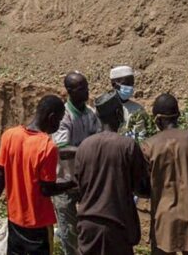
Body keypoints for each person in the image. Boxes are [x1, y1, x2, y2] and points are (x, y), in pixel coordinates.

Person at [0, 94, 76, 254]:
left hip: (14, 218)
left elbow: (1, 176)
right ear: (51, 117)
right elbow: (46, 189)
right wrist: (71, 184)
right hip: (38, 223)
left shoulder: (10, 135)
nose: (59, 124)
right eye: (59, 120)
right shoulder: (47, 147)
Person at [141, 93, 188, 255]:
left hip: (164, 219)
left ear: (158, 119)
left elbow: (144, 186)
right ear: (178, 115)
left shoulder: (149, 146)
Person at [75, 92, 149, 254]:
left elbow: (79, 187)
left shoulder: (84, 146)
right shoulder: (128, 146)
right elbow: (141, 187)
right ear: (118, 113)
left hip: (87, 225)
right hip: (116, 225)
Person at [52, 71, 100, 255]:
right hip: (65, 181)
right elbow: (62, 149)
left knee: (90, 224)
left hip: (85, 180)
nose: (86, 91)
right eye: (81, 88)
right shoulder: (63, 116)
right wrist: (88, 149)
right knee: (69, 230)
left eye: (86, 86)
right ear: (70, 91)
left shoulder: (90, 113)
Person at [109, 65, 146, 138]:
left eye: (132, 84)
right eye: (126, 84)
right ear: (114, 85)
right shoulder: (105, 109)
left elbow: (141, 136)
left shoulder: (138, 109)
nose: (130, 87)